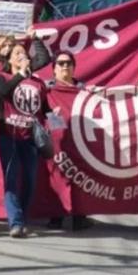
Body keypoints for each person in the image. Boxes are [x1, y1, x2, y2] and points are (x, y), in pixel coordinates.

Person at [0, 41, 52, 238]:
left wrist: (56, 123)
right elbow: (3, 92)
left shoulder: (37, 83)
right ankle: (15, 223)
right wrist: (20, 74)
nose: (21, 55)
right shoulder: (2, 77)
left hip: (29, 139)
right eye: (16, 53)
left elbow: (46, 109)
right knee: (10, 177)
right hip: (8, 136)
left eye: (23, 53)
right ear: (9, 60)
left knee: (30, 179)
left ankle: (23, 217)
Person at [45, 52, 93, 231]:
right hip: (56, 139)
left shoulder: (84, 90)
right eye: (61, 63)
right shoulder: (46, 89)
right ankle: (56, 216)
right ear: (54, 69)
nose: (65, 66)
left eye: (69, 63)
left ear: (74, 67)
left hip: (80, 140)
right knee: (57, 177)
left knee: (81, 178)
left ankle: (80, 217)